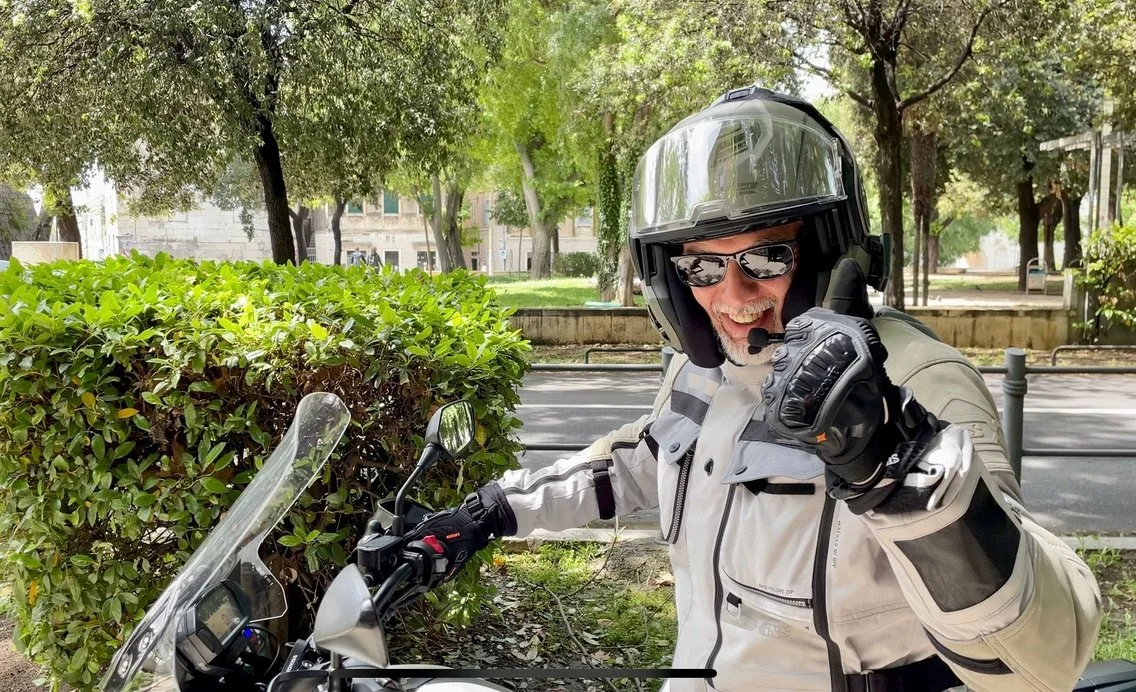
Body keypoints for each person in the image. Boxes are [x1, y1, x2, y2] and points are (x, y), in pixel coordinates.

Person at [405, 87, 1102, 691]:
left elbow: (1048, 660)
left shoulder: (915, 378)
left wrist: (897, 463)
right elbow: (642, 461)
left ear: (827, 253)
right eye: (702, 268)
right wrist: (491, 512)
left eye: (767, 257)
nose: (733, 297)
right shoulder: (705, 368)